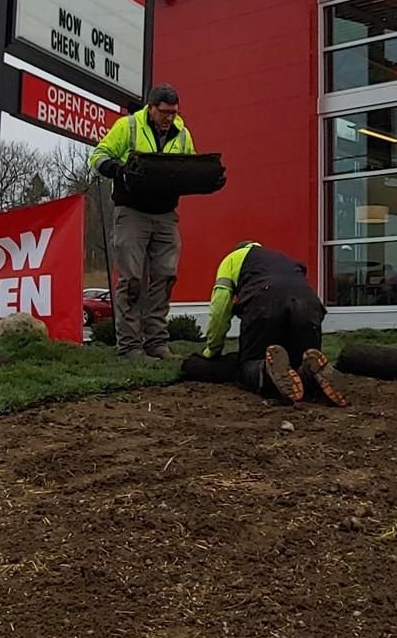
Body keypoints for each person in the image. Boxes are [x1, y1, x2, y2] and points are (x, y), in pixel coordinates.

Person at [88, 83, 196, 360]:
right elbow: (98, 156)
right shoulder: (128, 127)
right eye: (164, 112)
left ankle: (156, 343)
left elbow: (191, 168)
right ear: (151, 108)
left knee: (164, 277)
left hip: (165, 215)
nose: (169, 118)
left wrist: (206, 177)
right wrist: (120, 170)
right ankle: (130, 347)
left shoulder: (182, 135)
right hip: (132, 212)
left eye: (173, 112)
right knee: (133, 279)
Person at [193, 241, 348, 407]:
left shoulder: (231, 259)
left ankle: (265, 372)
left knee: (248, 364)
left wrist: (213, 349)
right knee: (298, 361)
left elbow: (220, 308)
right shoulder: (283, 258)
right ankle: (311, 372)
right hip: (308, 302)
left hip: (264, 301)